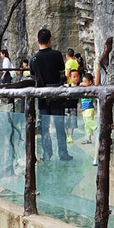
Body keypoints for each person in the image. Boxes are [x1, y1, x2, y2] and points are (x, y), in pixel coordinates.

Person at [29, 27, 72, 162]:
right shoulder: (57, 54)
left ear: (38, 41)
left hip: (42, 96)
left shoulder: (33, 59)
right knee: (60, 126)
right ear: (50, 40)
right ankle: (63, 153)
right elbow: (61, 71)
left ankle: (47, 154)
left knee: (44, 127)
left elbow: (32, 75)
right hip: (57, 95)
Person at [93, 36, 113, 165]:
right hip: (111, 95)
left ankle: (96, 157)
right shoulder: (108, 63)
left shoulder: (100, 63)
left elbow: (97, 84)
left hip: (102, 97)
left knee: (101, 126)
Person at [80, 74, 97, 144]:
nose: (83, 83)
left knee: (88, 121)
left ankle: (98, 128)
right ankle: (88, 139)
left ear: (90, 82)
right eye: (83, 82)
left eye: (85, 82)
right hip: (84, 109)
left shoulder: (90, 89)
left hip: (89, 108)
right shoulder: (83, 89)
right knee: (86, 124)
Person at [65, 68, 80, 143]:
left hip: (74, 107)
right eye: (74, 77)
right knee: (66, 122)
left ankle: (71, 135)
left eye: (77, 76)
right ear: (70, 78)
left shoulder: (80, 86)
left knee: (73, 121)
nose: (76, 78)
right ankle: (66, 135)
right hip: (66, 107)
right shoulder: (68, 86)